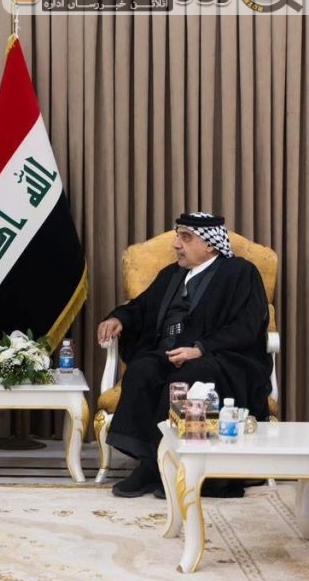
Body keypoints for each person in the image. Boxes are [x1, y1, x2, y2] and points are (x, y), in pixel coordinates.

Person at [97, 212, 272, 498]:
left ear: (211, 245)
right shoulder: (172, 274)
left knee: (191, 378)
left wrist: (201, 348)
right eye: (178, 236)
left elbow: (247, 326)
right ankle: (150, 461)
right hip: (169, 353)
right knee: (143, 369)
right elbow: (141, 307)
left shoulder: (240, 273)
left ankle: (169, 468)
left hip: (220, 358)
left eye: (185, 238)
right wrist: (119, 318)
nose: (176, 244)